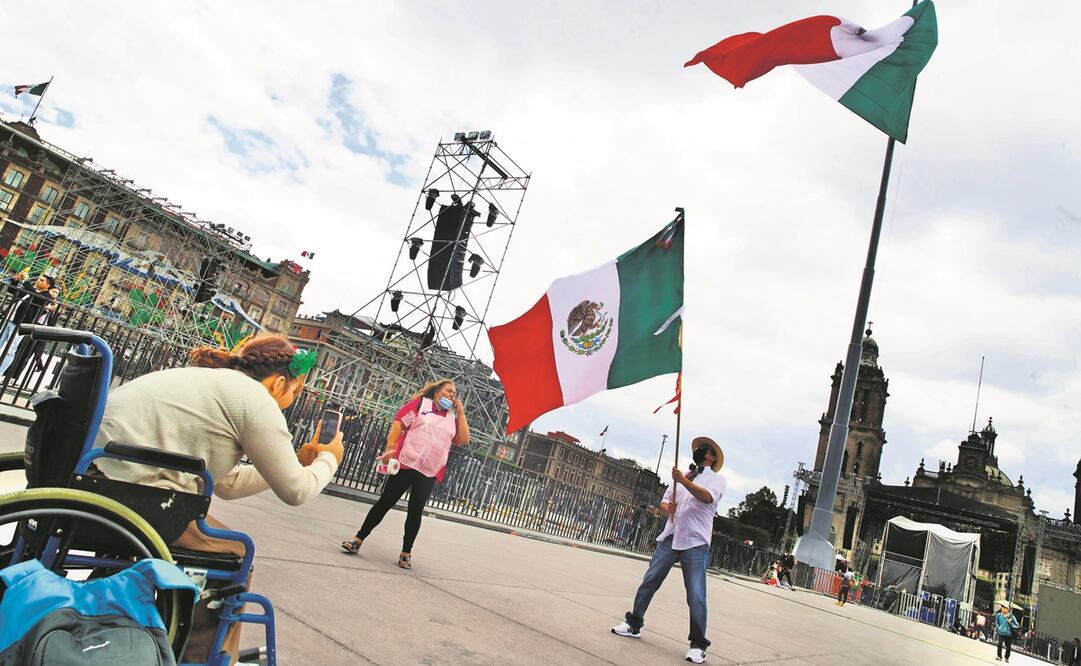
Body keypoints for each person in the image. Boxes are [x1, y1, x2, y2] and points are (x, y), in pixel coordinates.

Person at [93, 334, 344, 664]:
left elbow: (227, 483)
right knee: (236, 552)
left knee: (217, 537)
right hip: (133, 495)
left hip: (101, 477)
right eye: (295, 392)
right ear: (280, 382)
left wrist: (296, 463)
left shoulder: (218, 382)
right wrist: (330, 458)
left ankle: (200, 644)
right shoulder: (256, 400)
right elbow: (297, 492)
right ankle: (204, 656)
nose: (291, 400)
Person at [611, 437, 726, 665]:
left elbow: (707, 498)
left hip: (695, 542)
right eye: (697, 449)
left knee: (696, 594)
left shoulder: (716, 480)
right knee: (650, 580)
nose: (698, 451)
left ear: (712, 457)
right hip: (671, 537)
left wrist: (682, 480)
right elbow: (665, 503)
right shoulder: (684, 475)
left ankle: (698, 645)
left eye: (703, 450)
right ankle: (634, 624)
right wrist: (667, 507)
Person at [340, 378, 470, 569]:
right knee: (385, 502)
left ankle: (406, 552)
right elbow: (399, 423)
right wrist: (391, 448)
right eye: (449, 391)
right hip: (406, 462)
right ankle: (358, 539)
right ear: (436, 392)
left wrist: (461, 413)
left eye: (454, 394)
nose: (452, 395)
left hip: (428, 470)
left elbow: (463, 439)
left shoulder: (452, 417)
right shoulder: (421, 405)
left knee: (415, 511)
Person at [1, 274, 56, 378]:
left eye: (42, 280)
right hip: (10, 319)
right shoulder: (31, 290)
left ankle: (0, 372)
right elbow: (13, 291)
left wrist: (26, 280)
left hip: (20, 324)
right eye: (39, 279)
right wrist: (15, 280)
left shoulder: (46, 296)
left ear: (47, 285)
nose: (38, 281)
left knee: (10, 350)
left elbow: (36, 297)